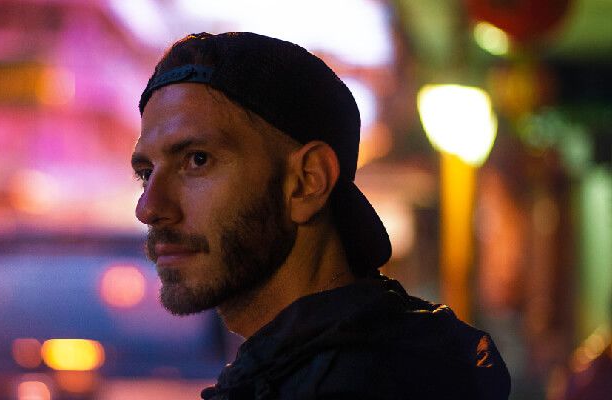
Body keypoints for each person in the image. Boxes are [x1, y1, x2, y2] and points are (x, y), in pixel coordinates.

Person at [131, 32, 511, 399]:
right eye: (147, 173)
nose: (148, 207)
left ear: (306, 182)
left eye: (197, 160)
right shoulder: (335, 363)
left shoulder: (359, 382)